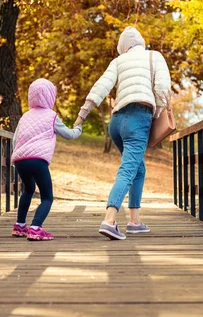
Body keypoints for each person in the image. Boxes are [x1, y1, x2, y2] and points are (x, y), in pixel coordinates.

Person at [75, 26, 171, 240]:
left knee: (138, 168)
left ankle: (135, 221)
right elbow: (163, 88)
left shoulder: (118, 62)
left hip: (116, 123)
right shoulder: (154, 56)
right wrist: (156, 112)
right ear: (141, 42)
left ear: (123, 48)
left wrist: (82, 115)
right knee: (128, 169)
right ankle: (109, 220)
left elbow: (101, 87)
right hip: (138, 118)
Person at [11, 78, 82, 241]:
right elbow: (69, 135)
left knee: (28, 190)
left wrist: (17, 155)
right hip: (38, 160)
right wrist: (78, 128)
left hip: (20, 160)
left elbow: (15, 139)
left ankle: (20, 225)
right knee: (47, 196)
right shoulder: (51, 116)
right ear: (51, 96)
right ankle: (35, 227)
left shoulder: (25, 116)